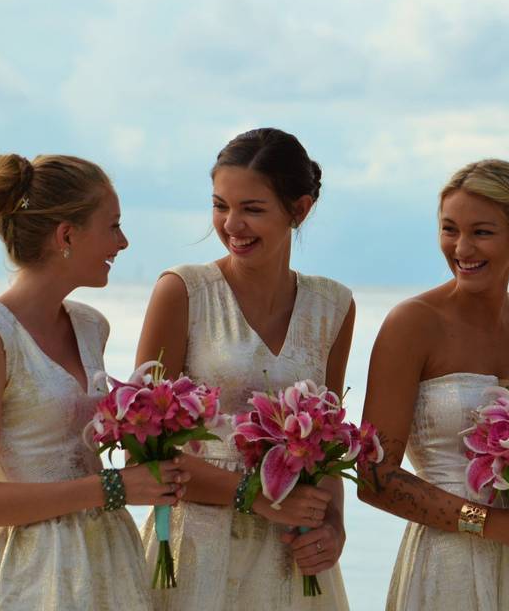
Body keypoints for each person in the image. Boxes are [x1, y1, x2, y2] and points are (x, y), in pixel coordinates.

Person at [0, 153, 187, 610]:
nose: (124, 242)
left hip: (111, 563)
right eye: (113, 226)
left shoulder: (91, 325)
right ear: (67, 235)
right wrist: (116, 488)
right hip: (34, 575)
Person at [136, 128, 355, 610]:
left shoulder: (334, 305)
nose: (232, 224)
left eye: (252, 209)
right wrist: (256, 496)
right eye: (220, 206)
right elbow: (143, 452)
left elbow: (329, 446)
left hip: (291, 555)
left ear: (300, 209)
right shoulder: (183, 291)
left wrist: (333, 528)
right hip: (198, 551)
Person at [359, 159, 509, 611]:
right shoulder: (412, 324)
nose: (461, 248)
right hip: (448, 568)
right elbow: (373, 478)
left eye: (481, 232)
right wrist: (494, 525)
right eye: (449, 229)